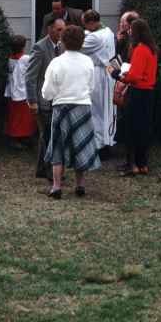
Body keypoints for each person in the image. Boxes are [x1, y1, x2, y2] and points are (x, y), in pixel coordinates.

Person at [42, 24, 100, 198]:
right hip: (82, 106)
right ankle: (80, 185)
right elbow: (92, 87)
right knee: (80, 145)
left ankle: (57, 187)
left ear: (62, 41)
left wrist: (51, 96)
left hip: (61, 107)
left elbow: (47, 92)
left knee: (58, 147)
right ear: (82, 42)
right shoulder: (88, 61)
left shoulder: (56, 62)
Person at [108, 18, 158, 176]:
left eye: (131, 30)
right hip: (149, 92)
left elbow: (134, 76)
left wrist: (116, 74)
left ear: (136, 32)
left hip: (137, 93)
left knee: (131, 129)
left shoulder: (140, 49)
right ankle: (143, 164)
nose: (129, 32)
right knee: (144, 129)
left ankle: (132, 165)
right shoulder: (152, 49)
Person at [25, 16, 66, 179]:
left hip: (58, 99)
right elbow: (30, 77)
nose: (62, 33)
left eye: (64, 29)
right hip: (43, 101)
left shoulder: (63, 47)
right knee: (49, 135)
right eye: (59, 30)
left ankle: (42, 168)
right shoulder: (39, 48)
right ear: (50, 29)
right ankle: (50, 170)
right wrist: (32, 101)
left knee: (48, 134)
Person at [81, 9, 116, 150]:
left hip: (97, 74)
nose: (84, 28)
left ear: (92, 23)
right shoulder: (108, 31)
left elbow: (78, 46)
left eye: (85, 24)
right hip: (108, 72)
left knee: (96, 110)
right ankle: (107, 140)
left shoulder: (94, 38)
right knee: (107, 110)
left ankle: (99, 144)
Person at [4, 34, 37, 149]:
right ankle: (24, 138)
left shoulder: (10, 59)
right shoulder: (26, 59)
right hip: (23, 93)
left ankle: (15, 138)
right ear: (23, 46)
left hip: (12, 92)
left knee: (14, 117)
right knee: (25, 118)